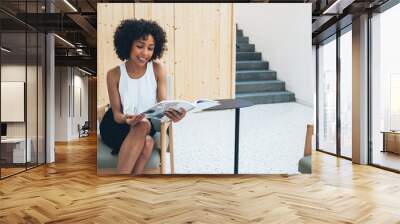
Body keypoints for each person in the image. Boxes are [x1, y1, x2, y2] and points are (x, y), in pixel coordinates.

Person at [100, 19, 186, 174]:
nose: (145, 53)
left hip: (144, 125)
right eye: (140, 46)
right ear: (128, 44)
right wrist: (127, 119)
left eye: (150, 48)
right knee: (147, 142)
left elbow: (162, 106)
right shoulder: (113, 74)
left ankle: (122, 187)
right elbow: (116, 114)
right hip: (116, 126)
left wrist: (175, 116)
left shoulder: (157, 69)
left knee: (144, 126)